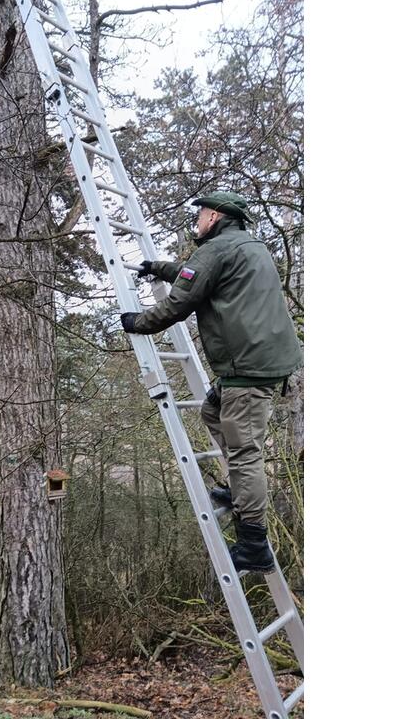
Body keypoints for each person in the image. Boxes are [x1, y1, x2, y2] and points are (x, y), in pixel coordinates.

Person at [119, 192, 302, 573]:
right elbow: (197, 276)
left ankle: (253, 543)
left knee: (245, 451)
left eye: (201, 213)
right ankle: (239, 489)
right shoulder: (248, 246)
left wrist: (138, 323)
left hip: (246, 369)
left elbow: (179, 303)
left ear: (215, 216)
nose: (198, 219)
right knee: (212, 410)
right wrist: (159, 267)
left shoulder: (216, 249)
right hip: (263, 360)